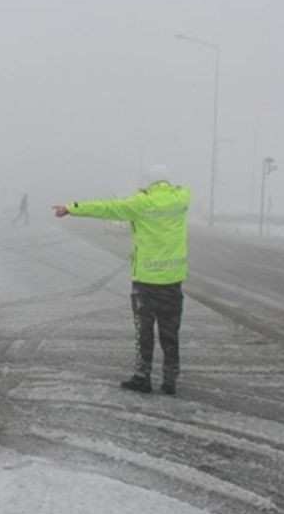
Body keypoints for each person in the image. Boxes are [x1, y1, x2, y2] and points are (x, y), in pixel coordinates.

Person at [53, 165, 190, 394]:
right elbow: (182, 190)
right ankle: (170, 380)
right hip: (173, 281)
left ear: (146, 185)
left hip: (146, 281)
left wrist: (70, 208)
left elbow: (106, 207)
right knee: (170, 332)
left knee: (144, 332)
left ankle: (142, 377)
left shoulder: (140, 204)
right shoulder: (181, 200)